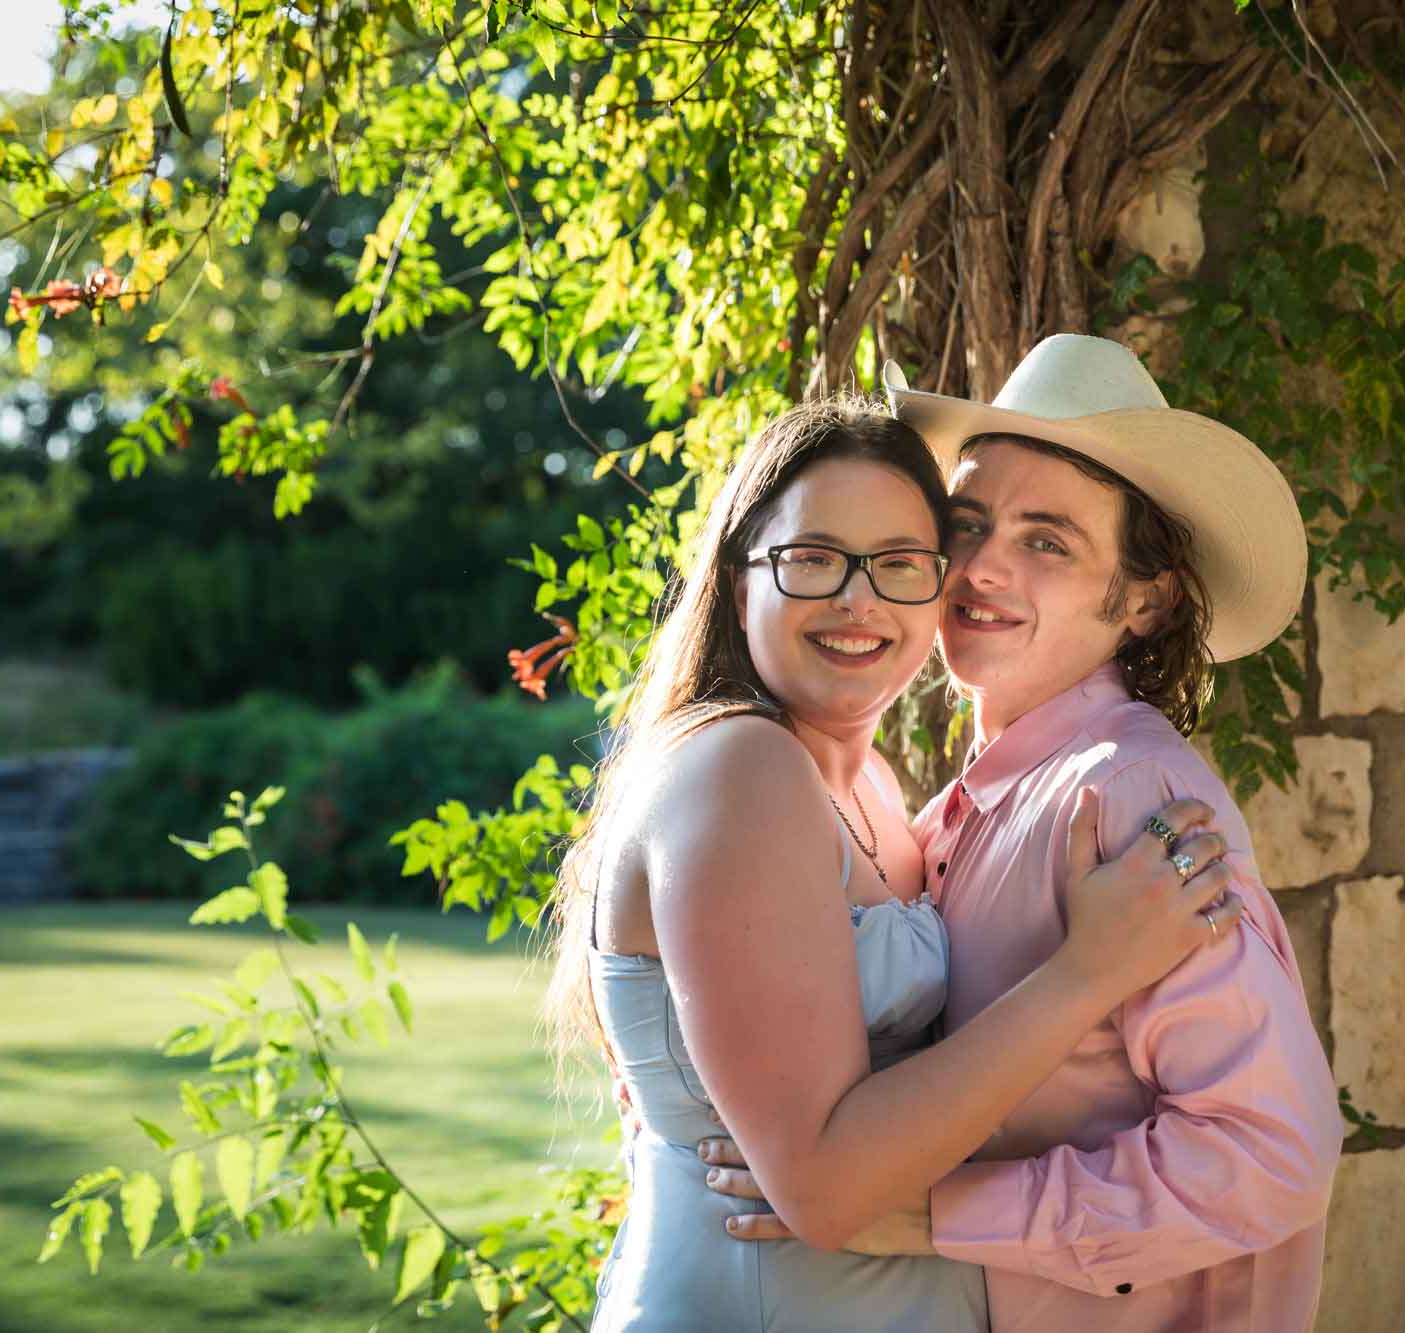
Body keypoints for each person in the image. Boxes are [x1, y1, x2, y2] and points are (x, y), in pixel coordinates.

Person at [546, 395, 1249, 1332]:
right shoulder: (740, 767)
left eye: (900, 563)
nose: (858, 597)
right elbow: (828, 1194)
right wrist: (1089, 972)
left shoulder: (877, 789)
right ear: (738, 574)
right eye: (813, 558)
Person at [705, 335, 1344, 1331]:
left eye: (1046, 542)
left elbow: (1267, 1158)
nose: (980, 569)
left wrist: (934, 1217)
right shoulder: (953, 806)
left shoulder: (1128, 798)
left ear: (1143, 598)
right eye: (966, 525)